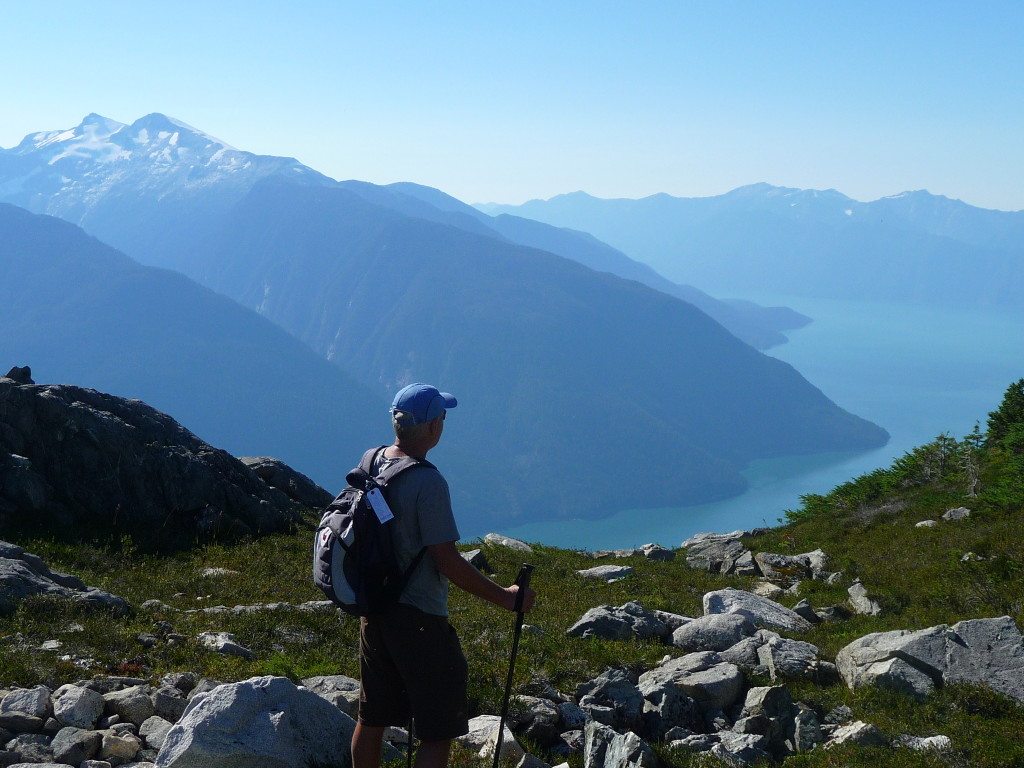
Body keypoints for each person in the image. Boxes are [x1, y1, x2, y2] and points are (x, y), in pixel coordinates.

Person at [352, 383, 537, 768]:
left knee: (371, 718)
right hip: (418, 618)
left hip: (374, 610)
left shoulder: (371, 460)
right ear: (433, 427)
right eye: (443, 417)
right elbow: (446, 560)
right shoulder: (427, 482)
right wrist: (507, 597)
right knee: (438, 731)